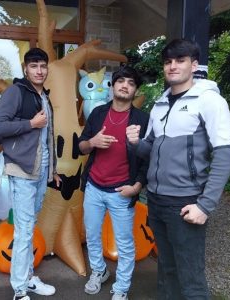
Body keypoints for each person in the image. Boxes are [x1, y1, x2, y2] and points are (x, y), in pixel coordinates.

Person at [126, 39, 230, 300]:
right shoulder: (161, 104)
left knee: (191, 279)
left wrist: (205, 206)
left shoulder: (210, 101)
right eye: (167, 62)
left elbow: (226, 155)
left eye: (180, 60)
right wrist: (134, 144)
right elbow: (150, 150)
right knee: (166, 270)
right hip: (156, 199)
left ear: (193, 65)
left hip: (186, 203)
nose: (172, 66)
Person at [0, 48, 61, 300]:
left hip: (40, 172)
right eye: (34, 66)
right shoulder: (16, 92)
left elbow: (47, 137)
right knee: (24, 231)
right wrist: (30, 123)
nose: (39, 70)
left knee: (29, 228)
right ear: (25, 68)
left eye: (43, 66)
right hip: (21, 171)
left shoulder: (44, 97)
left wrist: (52, 170)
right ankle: (19, 290)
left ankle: (28, 278)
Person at [78, 66, 149, 300]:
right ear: (113, 85)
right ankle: (99, 271)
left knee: (125, 243)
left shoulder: (142, 119)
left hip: (122, 191)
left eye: (130, 82)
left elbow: (149, 158)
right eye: (120, 81)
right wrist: (93, 142)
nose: (125, 85)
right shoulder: (98, 113)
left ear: (135, 89)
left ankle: (121, 288)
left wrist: (136, 187)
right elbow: (80, 147)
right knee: (92, 235)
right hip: (94, 187)